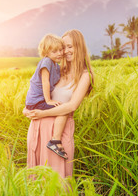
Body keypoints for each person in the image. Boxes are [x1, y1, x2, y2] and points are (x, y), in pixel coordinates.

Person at [23, 29, 94, 178]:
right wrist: (27, 109)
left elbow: (71, 106)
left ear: (79, 47)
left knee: (58, 180)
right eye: (63, 47)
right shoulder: (57, 69)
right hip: (38, 128)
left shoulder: (85, 76)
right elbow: (36, 89)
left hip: (58, 137)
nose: (65, 51)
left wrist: (43, 113)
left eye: (70, 47)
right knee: (37, 182)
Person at [24, 33, 67, 159]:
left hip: (38, 100)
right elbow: (45, 82)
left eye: (60, 50)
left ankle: (55, 140)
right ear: (46, 53)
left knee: (62, 108)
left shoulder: (55, 64)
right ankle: (55, 141)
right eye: (54, 51)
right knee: (63, 110)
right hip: (37, 101)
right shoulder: (46, 62)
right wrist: (49, 100)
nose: (59, 53)